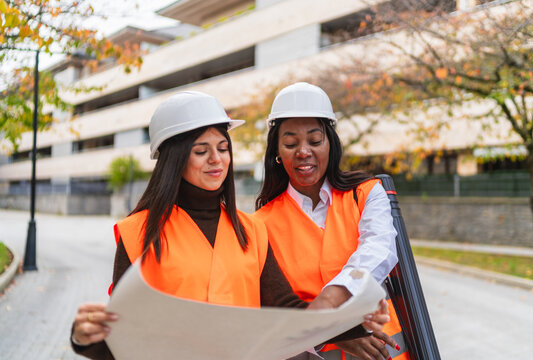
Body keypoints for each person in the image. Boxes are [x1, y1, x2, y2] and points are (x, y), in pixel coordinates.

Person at [70, 91, 388, 360]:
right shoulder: (138, 232)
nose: (217, 160)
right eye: (201, 151)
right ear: (175, 159)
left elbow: (285, 313)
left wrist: (347, 325)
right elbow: (124, 336)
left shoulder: (251, 231)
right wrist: (85, 339)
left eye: (223, 148)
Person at [255, 82, 410, 360]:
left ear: (331, 143)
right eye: (291, 143)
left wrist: (329, 301)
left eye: (315, 141)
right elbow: (272, 308)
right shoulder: (259, 225)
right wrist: (332, 331)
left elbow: (378, 250)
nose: (303, 152)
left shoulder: (365, 194)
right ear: (277, 152)